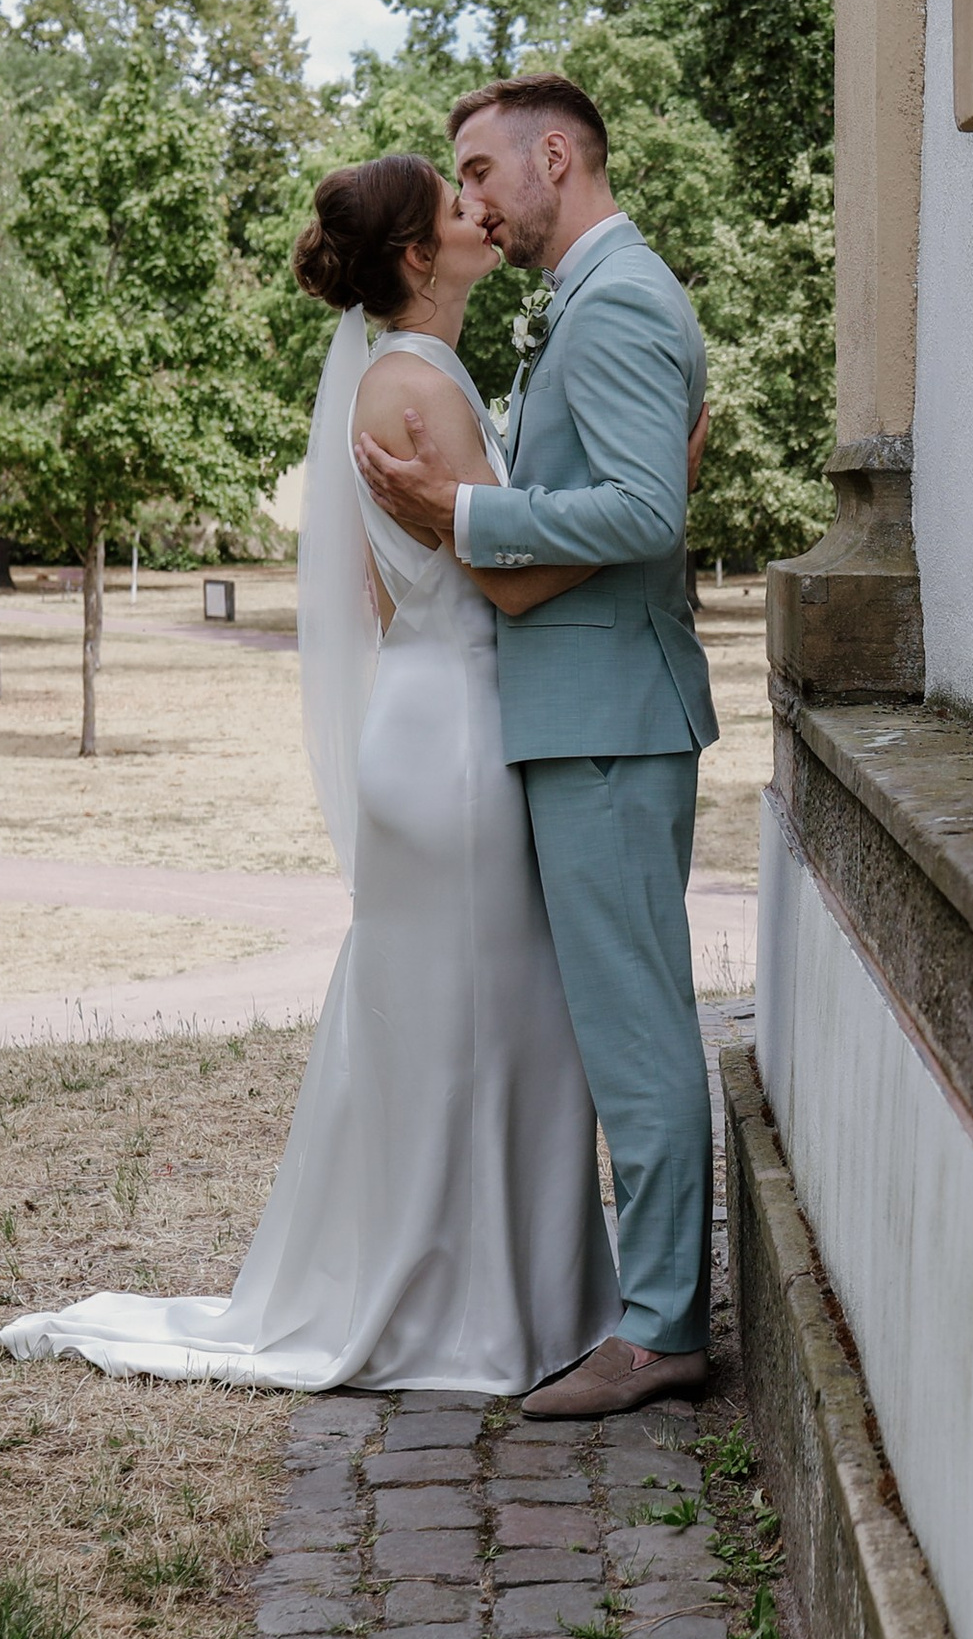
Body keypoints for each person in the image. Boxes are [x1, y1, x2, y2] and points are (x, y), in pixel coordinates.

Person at [2, 153, 638, 1389]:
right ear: (417, 256)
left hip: (429, 713)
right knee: (490, 1019)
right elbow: (504, 578)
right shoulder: (418, 382)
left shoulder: (409, 372)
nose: (480, 216)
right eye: (457, 209)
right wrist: (645, 511)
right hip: (455, 735)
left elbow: (376, 584)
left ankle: (480, 1287)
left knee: (470, 1015)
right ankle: (480, 1309)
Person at [356, 75, 719, 1419]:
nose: (480, 206)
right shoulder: (602, 297)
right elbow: (643, 491)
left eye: (485, 171)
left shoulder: (618, 299)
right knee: (623, 1026)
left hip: (610, 719)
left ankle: (665, 1326)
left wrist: (468, 516)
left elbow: (639, 513)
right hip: (592, 712)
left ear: (555, 156)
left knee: (635, 1035)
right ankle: (649, 1304)